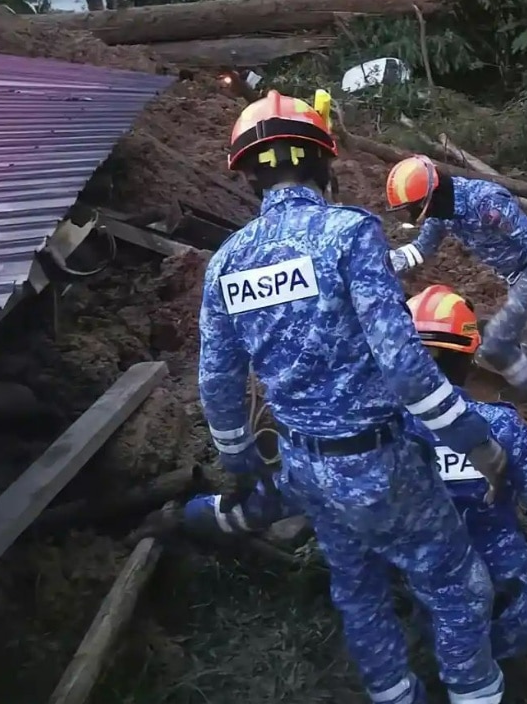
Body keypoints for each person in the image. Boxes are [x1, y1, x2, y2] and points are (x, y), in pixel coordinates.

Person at [178, 284, 527, 704]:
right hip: (509, 612)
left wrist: (190, 514)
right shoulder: (498, 427)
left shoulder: (361, 442)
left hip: (423, 621)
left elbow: (261, 506)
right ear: (470, 356)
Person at [200, 90, 505, 704]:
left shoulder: (225, 263)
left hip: (303, 465)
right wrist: (476, 444)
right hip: (376, 464)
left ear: (249, 175)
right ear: (324, 164)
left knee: (357, 588)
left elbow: (217, 383)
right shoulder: (348, 235)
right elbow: (404, 365)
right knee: (456, 585)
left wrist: (242, 467)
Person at [383, 156, 527, 459]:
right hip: (518, 280)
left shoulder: (484, 202)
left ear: (430, 195)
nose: (414, 216)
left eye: (413, 208)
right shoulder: (442, 213)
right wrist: (382, 264)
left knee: (496, 342)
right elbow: (421, 249)